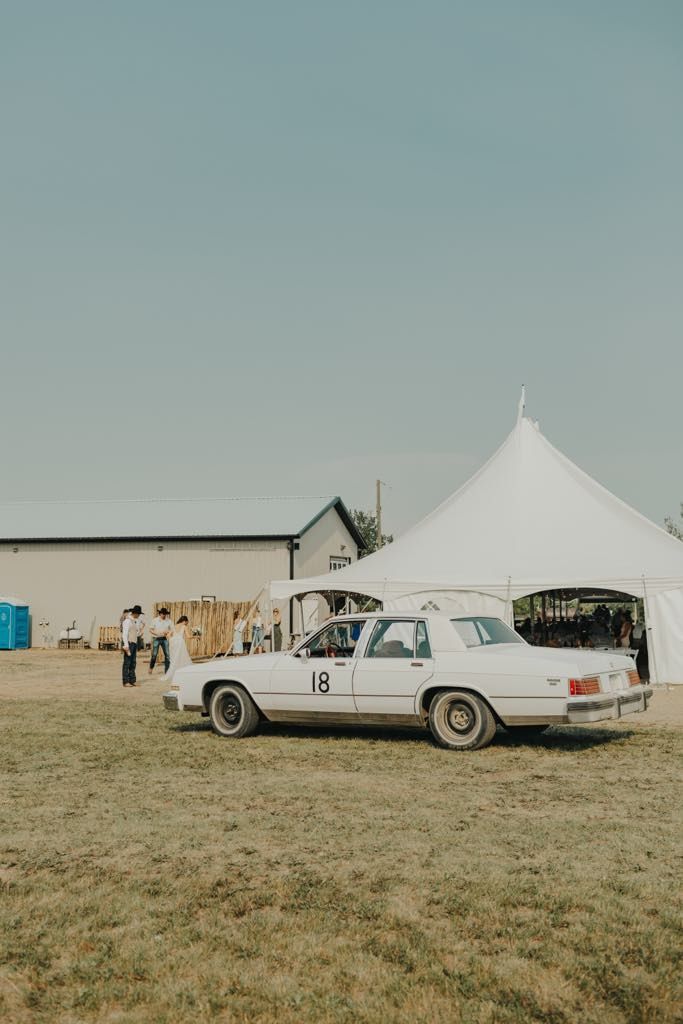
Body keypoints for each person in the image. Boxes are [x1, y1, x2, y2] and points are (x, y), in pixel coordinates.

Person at [164, 616, 194, 682]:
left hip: (173, 642)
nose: (186, 624)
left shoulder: (174, 626)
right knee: (181, 656)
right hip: (180, 642)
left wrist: (171, 640)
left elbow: (168, 636)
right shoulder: (184, 626)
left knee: (174, 658)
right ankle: (181, 672)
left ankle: (173, 673)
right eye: (186, 622)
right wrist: (196, 636)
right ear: (184, 621)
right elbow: (188, 637)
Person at [121, 605, 143, 686]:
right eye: (139, 614)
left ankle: (132, 680)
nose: (139, 615)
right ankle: (126, 681)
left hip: (134, 643)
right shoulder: (127, 621)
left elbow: (135, 633)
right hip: (129, 643)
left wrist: (139, 633)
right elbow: (125, 634)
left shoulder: (134, 621)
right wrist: (126, 645)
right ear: (135, 613)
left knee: (133, 663)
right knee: (127, 663)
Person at [149, 607, 173, 675]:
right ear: (160, 614)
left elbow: (172, 629)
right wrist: (157, 633)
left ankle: (167, 671)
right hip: (156, 638)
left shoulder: (169, 621)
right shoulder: (155, 620)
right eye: (163, 614)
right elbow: (150, 629)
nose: (164, 615)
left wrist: (168, 632)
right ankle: (151, 668)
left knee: (167, 655)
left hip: (164, 639)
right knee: (154, 655)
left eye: (165, 614)